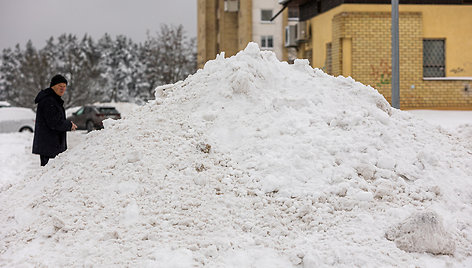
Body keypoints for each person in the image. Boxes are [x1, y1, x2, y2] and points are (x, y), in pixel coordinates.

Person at [32, 74, 77, 166]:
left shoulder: (53, 99)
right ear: (52, 86)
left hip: (51, 146)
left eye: (64, 86)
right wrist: (69, 125)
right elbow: (54, 123)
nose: (62, 89)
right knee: (49, 175)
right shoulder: (49, 101)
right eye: (60, 86)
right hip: (50, 146)